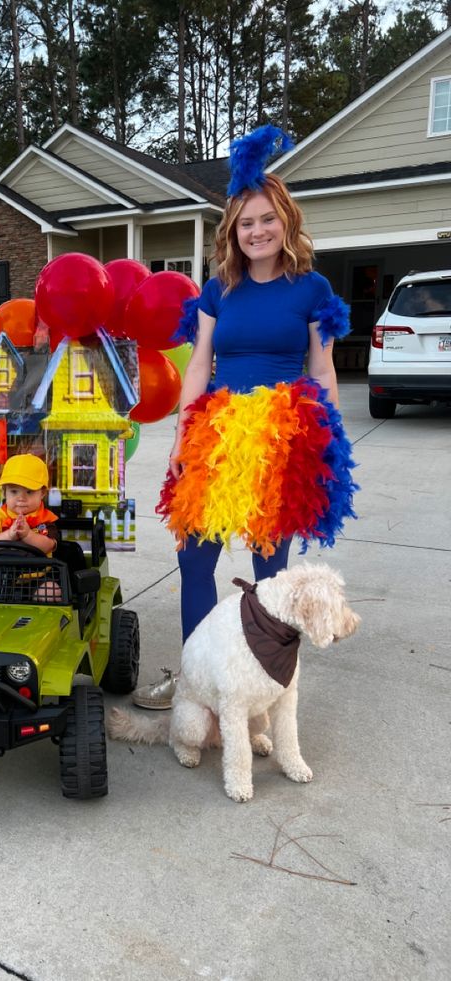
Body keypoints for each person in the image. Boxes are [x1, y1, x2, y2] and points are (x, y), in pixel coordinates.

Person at [133, 125, 354, 709]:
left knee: (270, 575)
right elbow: (199, 367)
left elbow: (323, 371)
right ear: (232, 230)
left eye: (267, 219)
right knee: (194, 560)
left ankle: (259, 683)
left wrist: (327, 440)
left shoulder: (312, 288)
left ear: (286, 222)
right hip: (217, 434)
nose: (257, 231)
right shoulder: (218, 289)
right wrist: (182, 438)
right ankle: (193, 681)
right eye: (245, 222)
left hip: (282, 438)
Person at [0, 454, 61, 601]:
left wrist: (28, 535)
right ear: (4, 492)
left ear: (42, 493)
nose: (21, 498)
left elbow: (48, 545)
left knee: (51, 592)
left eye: (29, 492)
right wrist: (9, 536)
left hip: (37, 576)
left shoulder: (45, 519)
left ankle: (40, 621)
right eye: (14, 491)